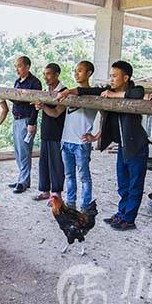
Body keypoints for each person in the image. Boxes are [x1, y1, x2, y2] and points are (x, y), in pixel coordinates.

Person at [57, 60, 149, 231]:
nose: (111, 79)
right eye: (110, 76)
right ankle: (121, 214)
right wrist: (68, 91)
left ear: (126, 77)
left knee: (135, 184)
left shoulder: (136, 90)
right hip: (123, 145)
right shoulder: (107, 91)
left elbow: (137, 94)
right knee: (123, 184)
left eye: (115, 76)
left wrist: (113, 96)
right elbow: (88, 90)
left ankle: (129, 219)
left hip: (137, 146)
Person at [59, 61, 99, 211]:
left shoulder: (95, 94)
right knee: (69, 175)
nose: (76, 73)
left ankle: (85, 206)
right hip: (66, 141)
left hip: (81, 143)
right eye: (75, 71)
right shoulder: (70, 94)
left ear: (89, 73)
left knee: (84, 177)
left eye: (80, 71)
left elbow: (106, 116)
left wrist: (96, 136)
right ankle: (70, 203)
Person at [32, 63, 67, 202]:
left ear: (57, 74)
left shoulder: (64, 91)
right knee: (44, 163)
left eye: (48, 74)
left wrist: (43, 106)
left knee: (56, 164)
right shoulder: (46, 91)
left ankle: (57, 194)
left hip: (57, 133)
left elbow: (56, 112)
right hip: (46, 131)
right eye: (44, 74)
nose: (45, 77)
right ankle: (45, 191)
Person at [9, 56, 42, 194]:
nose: (17, 69)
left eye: (20, 66)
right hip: (16, 119)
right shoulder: (17, 81)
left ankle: (23, 181)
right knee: (17, 151)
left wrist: (32, 123)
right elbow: (16, 99)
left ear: (28, 66)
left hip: (27, 120)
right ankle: (23, 179)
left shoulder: (34, 82)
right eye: (16, 66)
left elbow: (36, 104)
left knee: (24, 152)